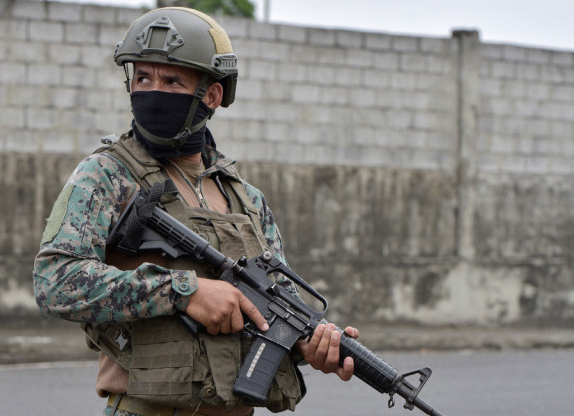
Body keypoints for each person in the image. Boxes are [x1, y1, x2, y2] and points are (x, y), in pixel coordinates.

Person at [33, 7, 359, 416]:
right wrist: (183, 291)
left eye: (172, 80)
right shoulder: (105, 174)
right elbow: (55, 281)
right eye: (142, 78)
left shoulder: (246, 198)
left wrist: (310, 345)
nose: (152, 90)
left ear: (212, 94)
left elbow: (276, 306)